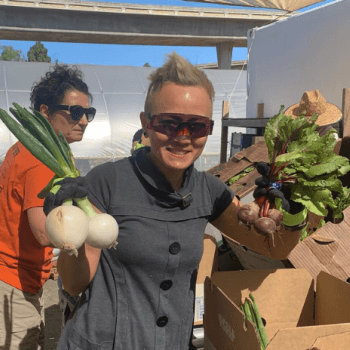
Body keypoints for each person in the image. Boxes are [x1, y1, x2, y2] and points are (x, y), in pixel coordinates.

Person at [49, 52, 301, 350]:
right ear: (146, 123)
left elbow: (272, 246)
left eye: (196, 126)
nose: (183, 137)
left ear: (208, 128)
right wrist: (71, 232)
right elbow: (74, 283)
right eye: (169, 123)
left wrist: (296, 208)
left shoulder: (210, 191)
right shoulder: (108, 182)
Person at [0, 64, 95, 350]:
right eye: (75, 112)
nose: (84, 121)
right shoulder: (41, 161)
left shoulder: (22, 148)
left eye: (88, 113)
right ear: (45, 112)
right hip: (14, 280)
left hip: (16, 275)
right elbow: (45, 232)